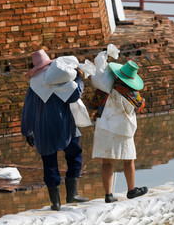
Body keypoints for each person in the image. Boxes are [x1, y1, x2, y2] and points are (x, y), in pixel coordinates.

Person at [21, 49, 89, 211]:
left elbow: (27, 109)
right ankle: (72, 193)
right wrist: (79, 79)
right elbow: (74, 95)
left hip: (42, 128)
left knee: (49, 162)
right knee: (74, 154)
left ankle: (55, 202)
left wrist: (27, 131)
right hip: (64, 123)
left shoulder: (33, 85)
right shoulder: (59, 79)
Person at [91, 60, 148, 203]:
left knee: (107, 162)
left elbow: (92, 104)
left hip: (105, 128)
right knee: (128, 160)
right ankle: (131, 190)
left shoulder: (104, 89)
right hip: (123, 130)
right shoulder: (133, 94)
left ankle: (108, 195)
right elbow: (139, 107)